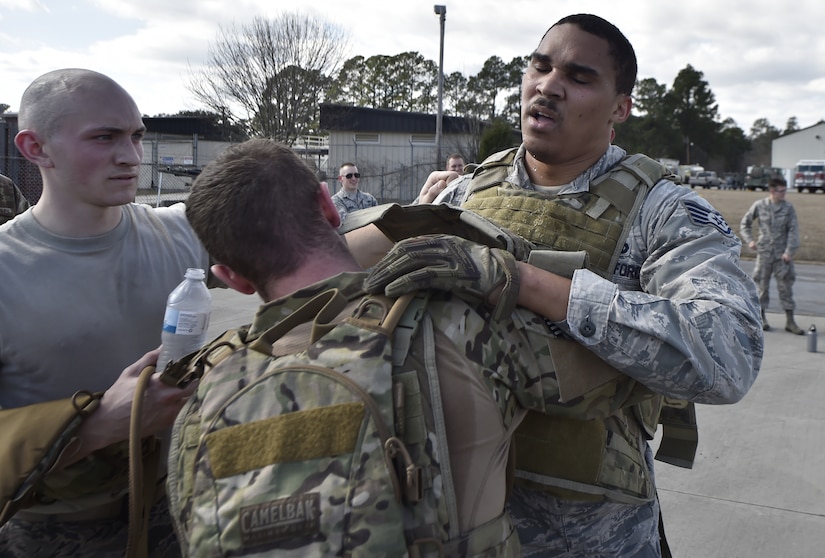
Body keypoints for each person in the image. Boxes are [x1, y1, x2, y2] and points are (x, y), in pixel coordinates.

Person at [363, 13, 763, 557]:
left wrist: (523, 281)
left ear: (620, 106)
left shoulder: (663, 210)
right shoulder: (465, 194)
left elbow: (728, 356)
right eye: (540, 66)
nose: (549, 85)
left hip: (589, 532)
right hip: (457, 516)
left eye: (579, 77)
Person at [178, 138, 655, 556]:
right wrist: (516, 278)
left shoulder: (199, 397)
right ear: (329, 207)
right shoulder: (459, 324)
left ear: (232, 279)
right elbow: (630, 367)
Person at [0, 68, 209, 557]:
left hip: (178, 509)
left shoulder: (181, 233)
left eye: (136, 135)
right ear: (35, 148)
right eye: (105, 137)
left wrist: (422, 215)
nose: (132, 156)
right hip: (54, 532)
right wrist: (97, 426)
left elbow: (322, 244)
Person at [739, 176, 803, 334]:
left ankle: (790, 321)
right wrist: (750, 241)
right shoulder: (760, 206)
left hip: (782, 255)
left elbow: (794, 232)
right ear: (772, 191)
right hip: (765, 253)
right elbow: (745, 224)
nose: (784, 194)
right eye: (781, 191)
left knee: (785, 288)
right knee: (762, 288)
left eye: (785, 190)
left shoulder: (788, 208)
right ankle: (762, 319)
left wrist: (789, 252)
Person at [330, 162, 377, 226]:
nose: (354, 178)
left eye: (356, 175)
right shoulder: (335, 201)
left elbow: (378, 221)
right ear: (340, 179)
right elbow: (345, 223)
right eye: (349, 176)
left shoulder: (370, 199)